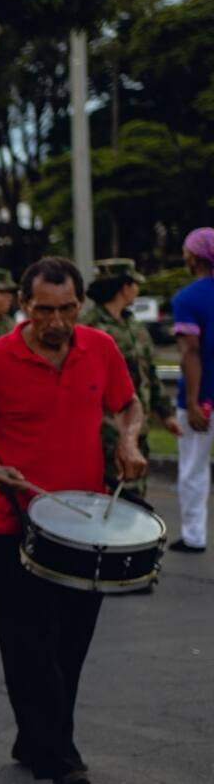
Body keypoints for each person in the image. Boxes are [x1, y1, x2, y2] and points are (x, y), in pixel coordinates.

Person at [0, 256, 147, 784]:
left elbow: (129, 404)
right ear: (24, 305)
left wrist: (129, 439)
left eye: (67, 309)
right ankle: (62, 758)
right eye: (44, 310)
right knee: (29, 645)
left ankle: (34, 737)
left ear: (80, 304)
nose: (57, 321)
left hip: (86, 525)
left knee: (70, 645)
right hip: (14, 524)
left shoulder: (101, 348)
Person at [81, 258, 178, 498]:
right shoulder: (90, 327)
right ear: (124, 287)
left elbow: (149, 373)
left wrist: (165, 413)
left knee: (136, 497)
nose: (137, 289)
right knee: (107, 497)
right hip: (104, 430)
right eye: (134, 284)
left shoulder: (134, 326)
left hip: (137, 426)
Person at [170, 227, 214, 553]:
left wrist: (193, 402)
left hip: (203, 398)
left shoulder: (186, 298)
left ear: (194, 258)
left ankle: (194, 536)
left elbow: (190, 353)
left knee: (193, 470)